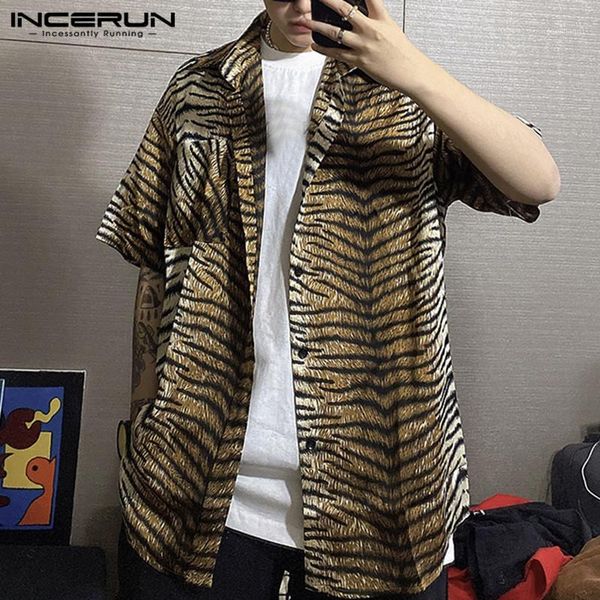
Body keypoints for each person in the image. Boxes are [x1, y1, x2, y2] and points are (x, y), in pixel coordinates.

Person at [96, 0, 560, 598]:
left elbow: (538, 181)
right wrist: (143, 420)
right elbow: (154, 270)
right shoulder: (198, 89)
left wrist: (414, 72)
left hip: (384, 502)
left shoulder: (409, 94)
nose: (299, 4)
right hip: (196, 489)